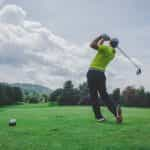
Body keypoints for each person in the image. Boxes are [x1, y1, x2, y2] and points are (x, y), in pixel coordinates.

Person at [87, 34, 123, 123]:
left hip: (93, 72)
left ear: (110, 43)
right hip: (101, 74)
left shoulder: (105, 49)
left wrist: (100, 36)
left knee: (94, 96)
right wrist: (103, 39)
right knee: (104, 95)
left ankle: (99, 117)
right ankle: (116, 113)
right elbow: (100, 45)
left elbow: (92, 45)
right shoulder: (112, 53)